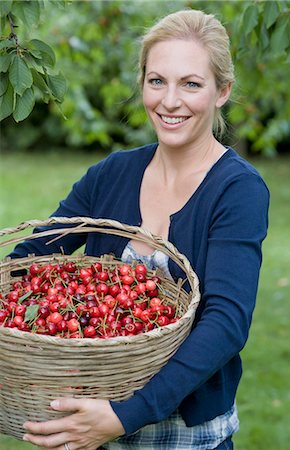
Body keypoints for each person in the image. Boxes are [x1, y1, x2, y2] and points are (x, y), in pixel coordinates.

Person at [10, 8, 269, 450]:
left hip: (184, 436)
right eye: (156, 81)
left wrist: (124, 416)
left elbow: (225, 324)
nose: (170, 101)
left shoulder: (237, 190)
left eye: (191, 84)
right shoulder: (113, 173)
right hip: (90, 425)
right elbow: (29, 260)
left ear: (222, 91)